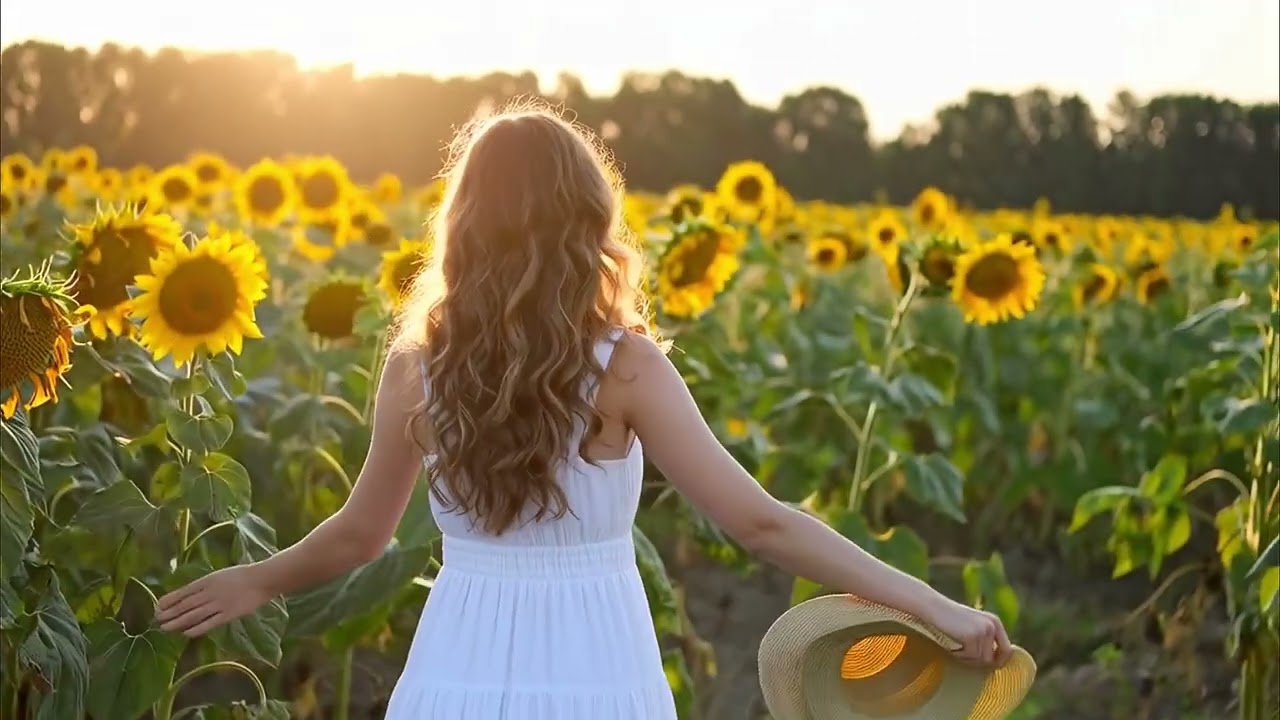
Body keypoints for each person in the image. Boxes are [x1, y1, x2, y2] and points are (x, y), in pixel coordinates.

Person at [155, 101, 1014, 719]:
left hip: (458, 657)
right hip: (599, 659)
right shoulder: (626, 369)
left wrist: (258, 579)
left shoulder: (419, 368)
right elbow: (762, 525)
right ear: (587, 222)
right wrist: (935, 607)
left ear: (464, 228)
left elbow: (361, 535)